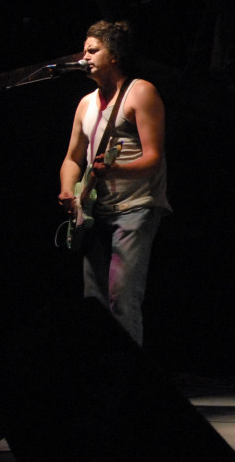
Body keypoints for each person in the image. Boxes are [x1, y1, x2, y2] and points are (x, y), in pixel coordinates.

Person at [58, 20, 170, 345]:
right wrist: (67, 190)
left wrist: (115, 170)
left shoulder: (141, 92)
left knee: (122, 296)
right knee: (93, 302)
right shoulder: (85, 103)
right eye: (84, 51)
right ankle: (99, 368)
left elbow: (153, 157)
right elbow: (72, 158)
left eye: (93, 50)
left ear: (115, 55)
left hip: (136, 207)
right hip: (94, 211)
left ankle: (129, 371)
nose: (84, 57)